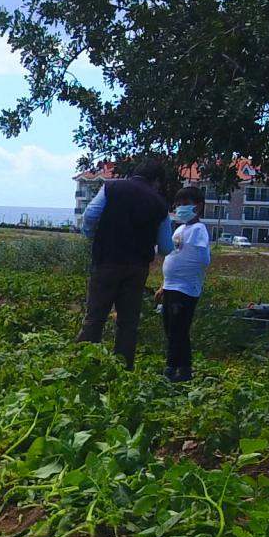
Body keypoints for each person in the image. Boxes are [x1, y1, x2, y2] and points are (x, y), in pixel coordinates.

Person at [77, 162, 169, 366]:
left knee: (95, 318)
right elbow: (165, 246)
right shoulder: (159, 203)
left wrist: (93, 236)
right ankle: (122, 369)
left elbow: (90, 215)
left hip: (106, 261)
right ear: (156, 182)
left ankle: (84, 366)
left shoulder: (112, 187)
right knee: (128, 323)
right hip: (137, 268)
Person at [157, 186, 213, 383]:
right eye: (178, 205)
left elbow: (203, 259)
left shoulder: (199, 230)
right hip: (171, 287)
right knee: (171, 328)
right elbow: (174, 256)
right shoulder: (181, 228)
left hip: (185, 289)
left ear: (197, 207)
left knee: (177, 329)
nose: (180, 208)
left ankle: (172, 368)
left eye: (185, 205)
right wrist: (164, 284)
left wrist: (184, 275)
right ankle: (184, 366)